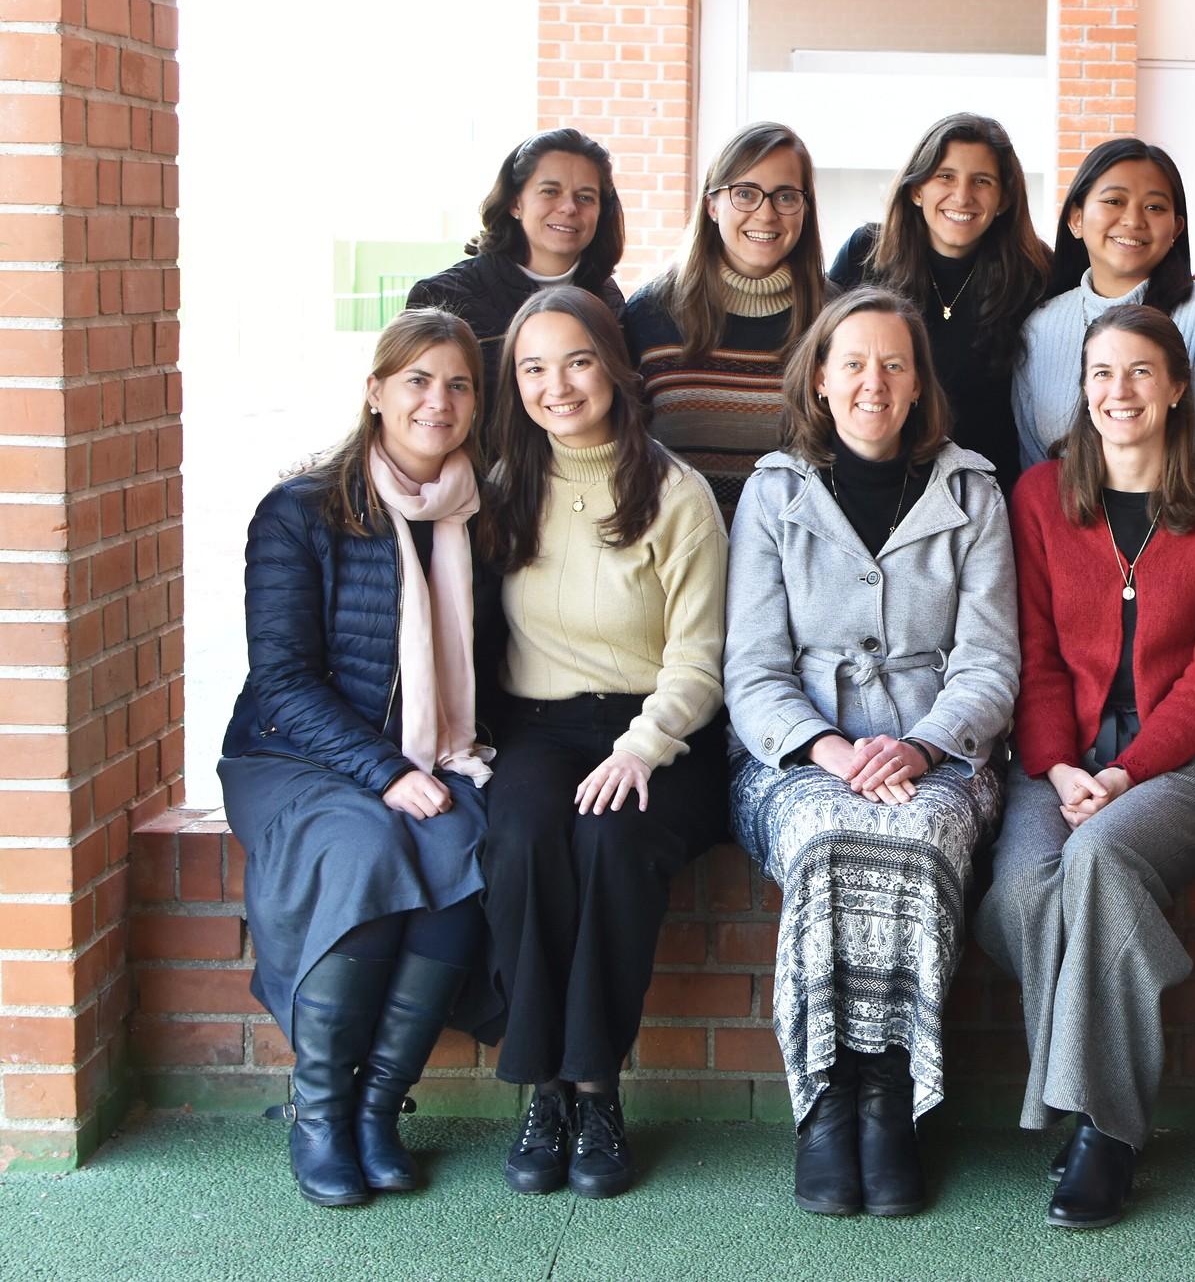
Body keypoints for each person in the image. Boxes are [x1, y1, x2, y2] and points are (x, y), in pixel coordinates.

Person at [724, 287, 1019, 1219]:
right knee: (824, 839)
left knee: (924, 839)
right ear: (819, 378)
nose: (873, 382)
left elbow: (990, 660)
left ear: (918, 381)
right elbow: (752, 668)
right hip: (799, 758)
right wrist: (829, 747)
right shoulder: (775, 494)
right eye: (852, 363)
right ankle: (825, 1098)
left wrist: (925, 747)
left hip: (942, 757)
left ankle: (893, 1095)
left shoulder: (971, 490)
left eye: (894, 363)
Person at [978, 305, 1195, 1230]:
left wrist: (1128, 772)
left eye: (1141, 373)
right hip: (1066, 761)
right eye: (1101, 374)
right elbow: (1039, 656)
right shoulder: (1038, 498)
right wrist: (1062, 767)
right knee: (1024, 892)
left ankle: (1104, 1127)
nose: (1119, 393)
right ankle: (1134, 962)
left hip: (1193, 762)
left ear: (1177, 386)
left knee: (1100, 859)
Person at [219, 308, 497, 1207]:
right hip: (293, 753)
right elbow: (284, 683)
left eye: (457, 383)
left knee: (466, 843)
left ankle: (378, 1107)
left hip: (429, 753)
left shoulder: (474, 515)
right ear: (376, 392)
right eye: (417, 379)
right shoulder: (300, 511)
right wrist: (386, 773)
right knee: (366, 845)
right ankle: (320, 1109)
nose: (438, 400)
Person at [478, 286, 729, 1200]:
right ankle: (544, 1091)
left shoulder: (676, 493)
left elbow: (701, 658)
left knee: (612, 838)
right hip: (541, 726)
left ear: (615, 367)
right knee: (526, 836)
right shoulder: (502, 483)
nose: (557, 385)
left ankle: (597, 1087)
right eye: (533, 367)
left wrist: (643, 745)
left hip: (663, 729)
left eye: (576, 360)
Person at [1013, 136, 1195, 485]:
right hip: (1072, 536)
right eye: (1114, 201)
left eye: (1155, 207)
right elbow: (1037, 479)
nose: (1133, 220)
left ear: (1176, 228)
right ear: (1076, 218)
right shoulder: (1040, 329)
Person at [829, 112, 1052, 489]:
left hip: (986, 490)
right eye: (945, 177)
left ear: (1003, 199)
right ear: (917, 189)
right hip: (875, 481)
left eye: (982, 181)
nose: (962, 196)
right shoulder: (865, 253)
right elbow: (822, 356)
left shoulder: (1034, 274)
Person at [623, 121, 832, 518]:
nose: (766, 213)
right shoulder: (650, 313)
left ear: (805, 207)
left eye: (785, 196)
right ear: (712, 205)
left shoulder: (836, 320)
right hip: (677, 557)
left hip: (795, 562)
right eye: (745, 194)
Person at [407, 128, 627, 457]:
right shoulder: (443, 297)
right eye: (550, 191)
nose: (568, 207)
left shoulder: (607, 300)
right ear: (515, 203)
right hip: (477, 495)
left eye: (585, 197)